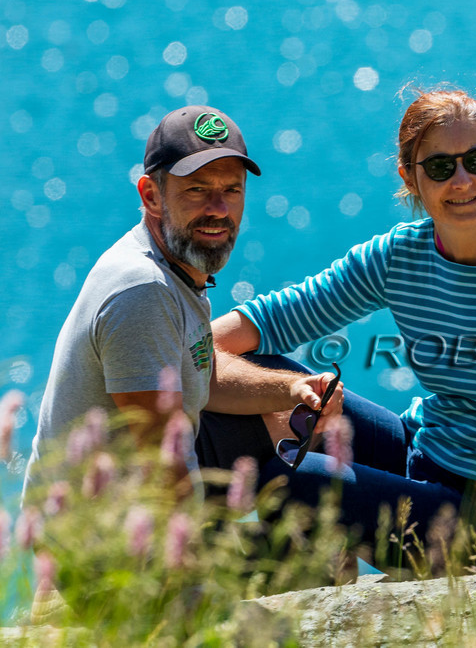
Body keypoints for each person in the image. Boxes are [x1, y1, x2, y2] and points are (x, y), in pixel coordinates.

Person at [208, 87, 476, 554]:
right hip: (424, 452)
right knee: (255, 375)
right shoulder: (402, 255)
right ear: (410, 178)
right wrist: (180, 350)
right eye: (440, 167)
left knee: (298, 482)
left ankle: (282, 576)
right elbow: (274, 317)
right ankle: (186, 566)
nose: (461, 180)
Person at [23, 106, 343, 497]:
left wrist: (293, 390)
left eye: (231, 190)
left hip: (122, 516)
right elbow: (165, 468)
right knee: (323, 484)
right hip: (95, 544)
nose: (218, 209)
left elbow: (198, 378)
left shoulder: (175, 268)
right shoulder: (144, 292)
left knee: (305, 429)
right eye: (197, 189)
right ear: (151, 195)